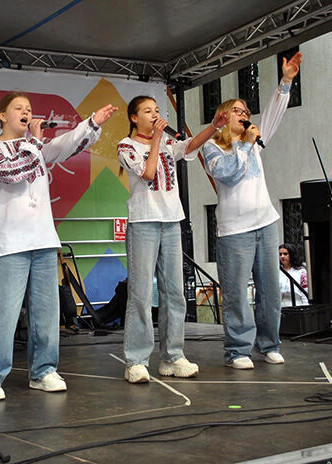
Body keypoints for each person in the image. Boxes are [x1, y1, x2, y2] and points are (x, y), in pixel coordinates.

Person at [0, 91, 118, 401]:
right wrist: (35, 141)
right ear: (2, 115)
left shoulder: (37, 148)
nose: (26, 112)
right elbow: (10, 173)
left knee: (47, 313)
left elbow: (65, 145)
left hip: (44, 239)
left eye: (29, 108)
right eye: (19, 108)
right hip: (10, 240)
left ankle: (44, 370)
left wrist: (91, 123)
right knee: (4, 312)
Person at [202, 51, 303, 369]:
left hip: (266, 222)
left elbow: (273, 115)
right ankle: (237, 351)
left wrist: (285, 81)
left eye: (246, 110)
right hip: (234, 230)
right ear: (223, 116)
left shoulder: (254, 140)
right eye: (236, 110)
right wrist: (245, 144)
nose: (244, 114)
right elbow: (229, 174)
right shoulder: (212, 147)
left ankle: (269, 343)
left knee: (270, 291)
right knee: (235, 294)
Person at [117, 96, 227, 383]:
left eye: (156, 110)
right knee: (141, 294)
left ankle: (173, 356)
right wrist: (155, 141)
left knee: (175, 292)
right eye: (147, 111)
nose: (154, 115)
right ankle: (136, 360)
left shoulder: (166, 143)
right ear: (133, 117)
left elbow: (189, 146)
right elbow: (148, 173)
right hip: (144, 222)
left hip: (171, 221)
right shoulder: (127, 146)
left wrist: (213, 127)